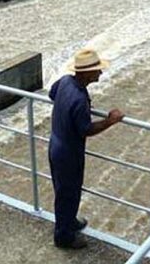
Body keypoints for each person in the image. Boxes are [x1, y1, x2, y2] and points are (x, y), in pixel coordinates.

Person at [48, 48, 124, 249]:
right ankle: (63, 238)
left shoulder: (65, 81)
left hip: (56, 145)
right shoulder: (79, 99)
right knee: (69, 194)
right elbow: (86, 130)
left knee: (64, 191)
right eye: (97, 70)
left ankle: (69, 222)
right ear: (86, 73)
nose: (100, 73)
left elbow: (51, 94)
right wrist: (110, 121)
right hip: (69, 154)